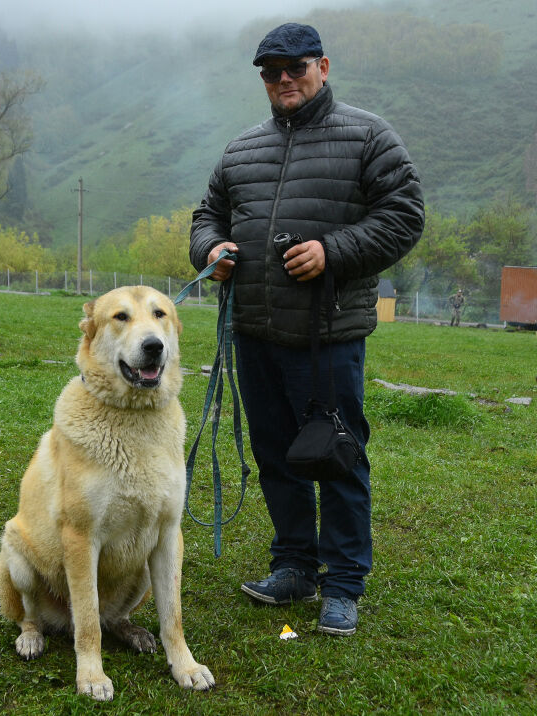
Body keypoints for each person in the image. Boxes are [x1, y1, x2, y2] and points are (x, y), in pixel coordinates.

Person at [189, 23, 424, 636]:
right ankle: (293, 565)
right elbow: (206, 213)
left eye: (296, 67)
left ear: (323, 66)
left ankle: (343, 583)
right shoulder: (241, 150)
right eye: (272, 72)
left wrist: (334, 251)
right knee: (275, 453)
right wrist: (212, 248)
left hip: (330, 336)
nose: (284, 79)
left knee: (336, 455)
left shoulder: (369, 136)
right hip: (255, 330)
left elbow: (404, 216)